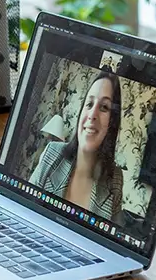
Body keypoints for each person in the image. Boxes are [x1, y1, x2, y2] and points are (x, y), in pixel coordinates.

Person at [29, 70, 124, 221]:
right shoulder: (52, 152)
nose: (93, 114)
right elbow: (24, 206)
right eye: (89, 104)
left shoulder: (115, 179)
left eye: (104, 107)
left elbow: (110, 239)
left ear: (112, 122)